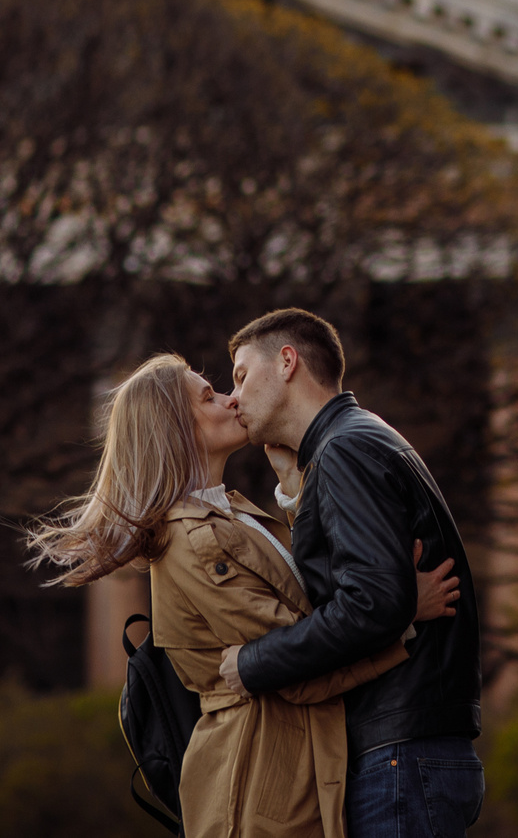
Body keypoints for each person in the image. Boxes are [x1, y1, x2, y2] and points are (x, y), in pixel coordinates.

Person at [30, 352, 460, 838]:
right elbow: (299, 667)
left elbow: (306, 599)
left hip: (285, 768)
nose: (231, 400)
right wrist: (402, 613)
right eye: (209, 397)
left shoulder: (228, 515)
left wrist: (295, 486)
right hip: (258, 786)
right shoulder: (194, 540)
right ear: (177, 430)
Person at [219, 309, 485, 838]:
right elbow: (360, 589)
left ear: (287, 362)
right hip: (409, 750)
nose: (233, 398)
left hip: (400, 755)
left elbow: (372, 603)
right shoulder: (354, 440)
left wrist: (252, 662)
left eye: (242, 376)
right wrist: (296, 491)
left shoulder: (345, 449)